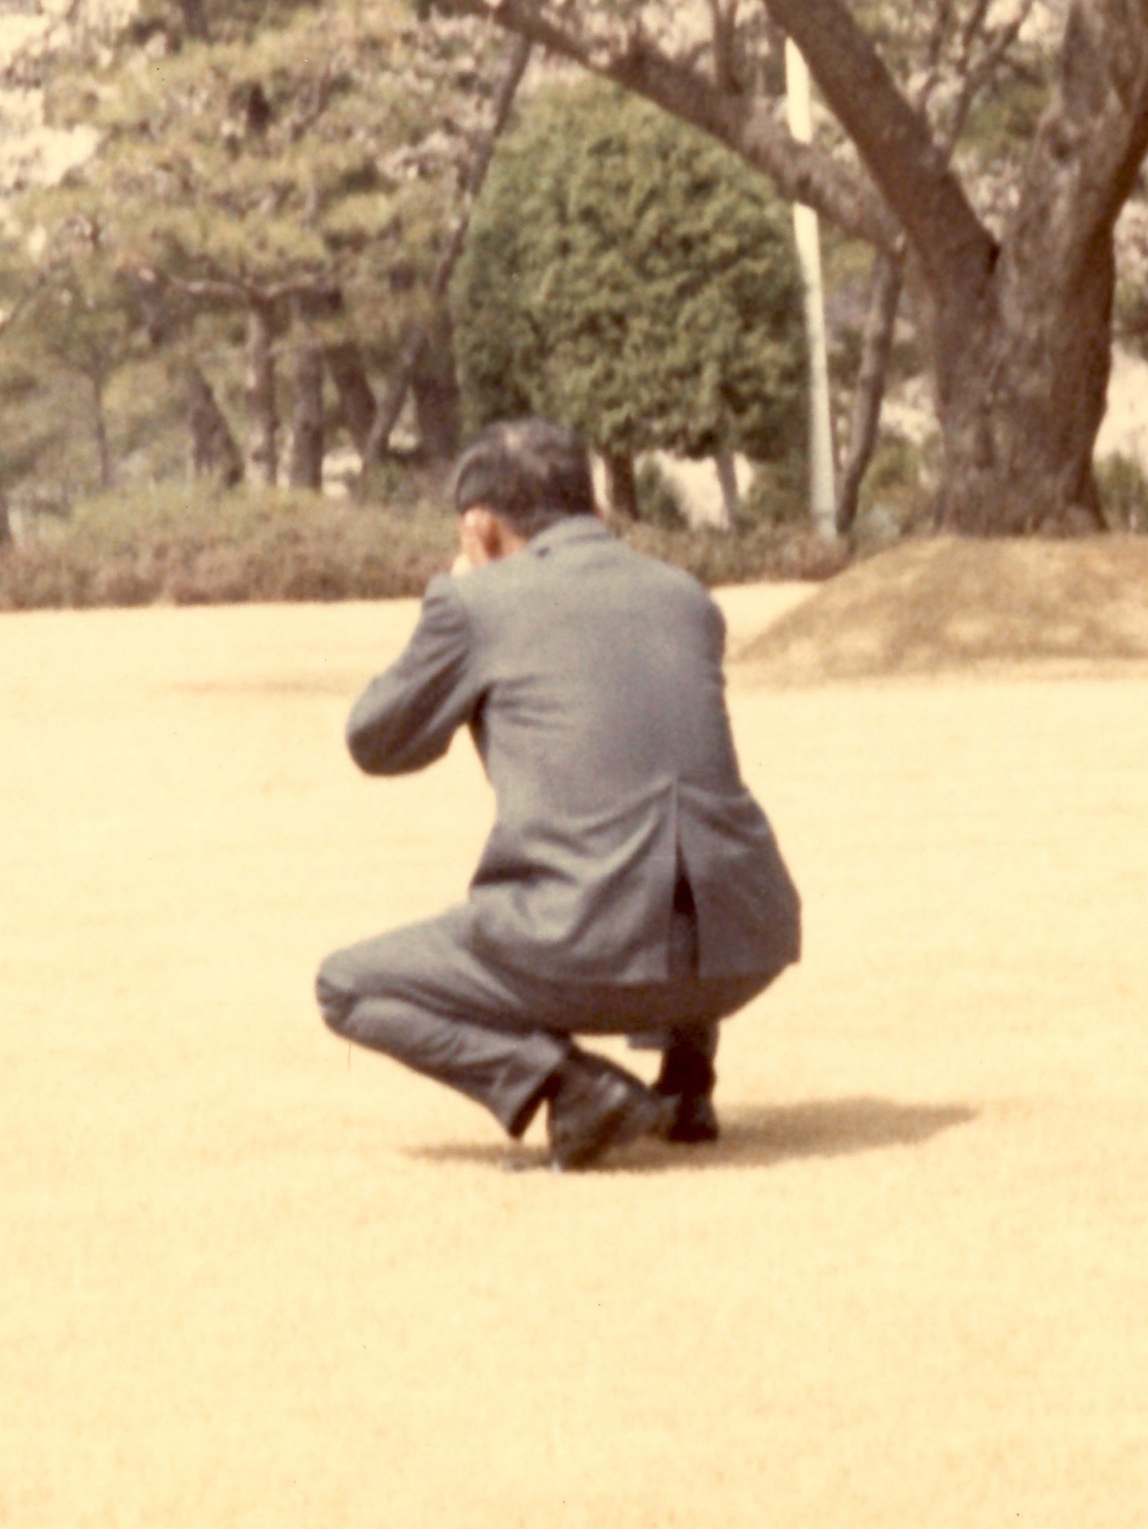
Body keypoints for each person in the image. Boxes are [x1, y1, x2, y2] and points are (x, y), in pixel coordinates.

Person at [316, 418, 800, 1167]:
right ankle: (686, 1082)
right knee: (654, 796)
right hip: (743, 943)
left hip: (586, 952)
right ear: (595, 509)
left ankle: (573, 1088)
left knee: (347, 987)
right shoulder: (684, 596)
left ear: (479, 524)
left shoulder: (478, 605)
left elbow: (375, 741)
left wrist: (453, 595)